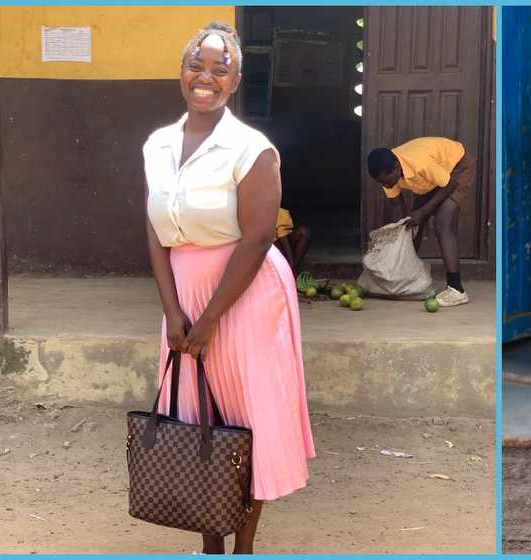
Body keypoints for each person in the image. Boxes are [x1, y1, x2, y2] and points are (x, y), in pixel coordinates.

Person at [143, 22, 315, 553]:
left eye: (221, 69)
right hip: (184, 293)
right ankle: (209, 545)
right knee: (196, 418)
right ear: (181, 71)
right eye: (197, 65)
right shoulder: (158, 144)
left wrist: (212, 317)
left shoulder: (250, 148)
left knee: (245, 423)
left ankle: (243, 548)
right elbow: (154, 227)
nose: (206, 77)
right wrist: (173, 311)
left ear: (235, 80)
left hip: (243, 296)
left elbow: (260, 236)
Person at [366, 137, 475, 307]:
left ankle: (456, 289)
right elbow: (397, 203)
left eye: (387, 181)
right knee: (412, 225)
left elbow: (449, 184)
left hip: (457, 168)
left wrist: (423, 212)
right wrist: (406, 224)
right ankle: (407, 279)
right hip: (434, 176)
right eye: (382, 183)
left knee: (442, 224)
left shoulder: (419, 163)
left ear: (396, 167)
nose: (386, 185)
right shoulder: (387, 172)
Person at [274, 207, 311, 276]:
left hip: (278, 242)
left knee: (304, 232)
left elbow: (282, 231)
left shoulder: (277, 210)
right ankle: (290, 269)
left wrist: (292, 261)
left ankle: (292, 270)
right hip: (266, 248)